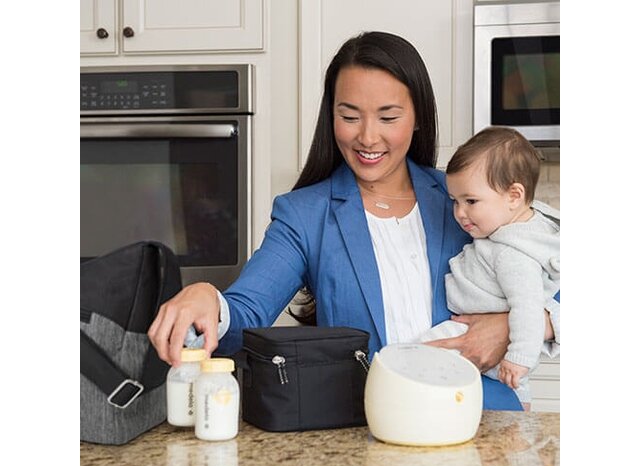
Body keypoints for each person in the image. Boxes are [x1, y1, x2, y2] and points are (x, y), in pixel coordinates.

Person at [148, 31, 560, 411]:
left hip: (483, 419)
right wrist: (206, 297)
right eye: (350, 116)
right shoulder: (305, 215)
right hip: (367, 430)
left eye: (387, 117)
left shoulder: (466, 202)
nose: (367, 137)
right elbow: (245, 313)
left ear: (417, 117)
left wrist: (514, 326)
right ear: (332, 117)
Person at [423, 126, 560, 410]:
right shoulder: (515, 227)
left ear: (514, 196)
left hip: (483, 339)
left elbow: (528, 307)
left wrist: (519, 358)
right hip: (481, 335)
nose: (460, 213)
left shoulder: (513, 255)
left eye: (471, 201)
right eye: (455, 202)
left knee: (419, 355)